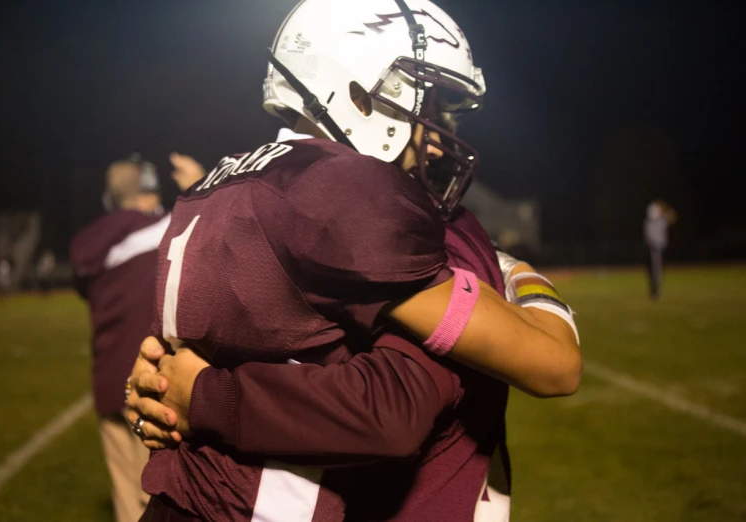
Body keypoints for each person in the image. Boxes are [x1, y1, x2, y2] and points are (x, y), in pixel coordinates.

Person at [124, 1, 580, 520]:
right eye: (424, 105)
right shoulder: (348, 190)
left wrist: (166, 394)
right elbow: (552, 365)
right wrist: (517, 272)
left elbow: (168, 369)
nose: (434, 138)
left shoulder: (216, 185)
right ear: (358, 91)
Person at [71, 154, 204, 522]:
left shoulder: (89, 241)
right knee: (163, 500)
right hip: (151, 381)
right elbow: (215, 221)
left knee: (126, 500)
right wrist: (200, 183)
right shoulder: (163, 227)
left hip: (107, 381)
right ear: (147, 191)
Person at [644, 199, 676, 300]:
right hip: (654, 249)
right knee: (655, 271)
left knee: (657, 271)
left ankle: (655, 291)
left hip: (659, 249)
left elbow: (672, 216)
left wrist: (663, 207)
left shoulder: (661, 220)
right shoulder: (651, 223)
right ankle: (654, 291)